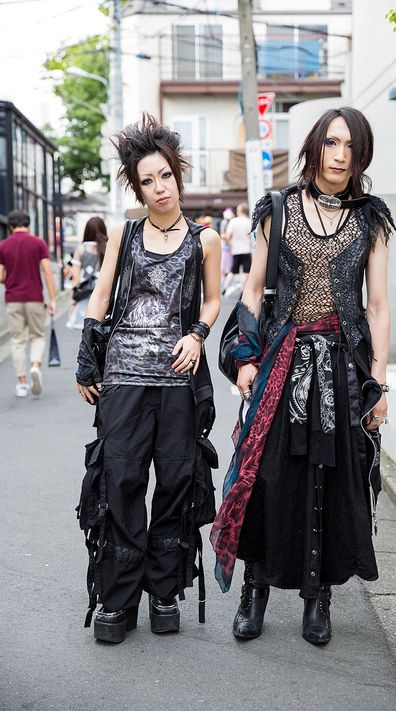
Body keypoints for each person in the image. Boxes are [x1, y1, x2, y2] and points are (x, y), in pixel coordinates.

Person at [210, 107, 395, 646]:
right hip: (282, 357)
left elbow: (378, 307)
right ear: (314, 146)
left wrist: (378, 383)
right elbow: (251, 290)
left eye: (351, 147)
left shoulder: (372, 219)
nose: (340, 155)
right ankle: (255, 589)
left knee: (330, 478)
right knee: (266, 477)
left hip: (342, 365)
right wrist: (245, 357)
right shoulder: (278, 209)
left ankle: (319, 599)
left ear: (361, 157)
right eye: (332, 143)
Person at [75, 113, 221, 644]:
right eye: (147, 181)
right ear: (137, 187)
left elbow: (211, 298)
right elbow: (102, 292)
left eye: (165, 176)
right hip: (124, 380)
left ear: (178, 175)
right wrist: (89, 353)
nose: (159, 189)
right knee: (120, 482)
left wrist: (199, 334)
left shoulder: (205, 241)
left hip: (179, 383)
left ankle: (163, 591)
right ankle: (118, 599)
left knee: (177, 484)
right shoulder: (125, 233)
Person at [0, 210, 57, 398]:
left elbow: (1, 275)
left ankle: (22, 383)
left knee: (17, 341)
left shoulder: (4, 246)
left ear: (10, 226)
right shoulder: (38, 243)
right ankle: (35, 365)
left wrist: (8, 280)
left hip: (13, 299)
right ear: (28, 224)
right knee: (37, 336)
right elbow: (48, 272)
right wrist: (53, 299)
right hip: (34, 298)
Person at [66, 216, 108, 330]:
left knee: (86, 328)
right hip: (104, 292)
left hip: (86, 293)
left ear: (87, 231)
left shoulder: (81, 249)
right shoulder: (108, 247)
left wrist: (74, 299)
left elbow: (75, 278)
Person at [223, 202, 252, 296]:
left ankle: (225, 287)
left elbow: (226, 236)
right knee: (246, 272)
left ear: (239, 211)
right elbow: (252, 237)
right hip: (246, 249)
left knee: (233, 270)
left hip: (235, 250)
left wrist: (230, 244)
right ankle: (242, 291)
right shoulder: (249, 221)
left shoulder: (233, 221)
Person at [219, 207, 234, 293]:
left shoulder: (226, 222)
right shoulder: (226, 223)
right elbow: (223, 235)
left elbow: (223, 235)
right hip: (227, 247)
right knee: (225, 266)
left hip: (227, 247)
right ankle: (224, 284)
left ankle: (224, 283)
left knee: (226, 266)